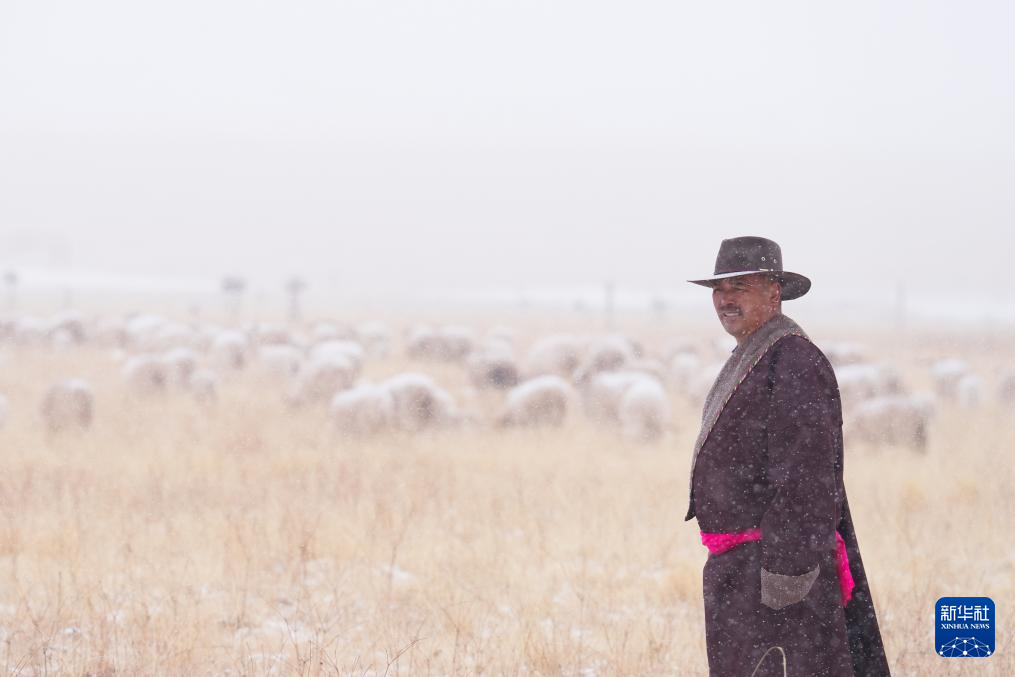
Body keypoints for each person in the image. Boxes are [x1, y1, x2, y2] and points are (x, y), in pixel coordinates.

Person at [684, 236, 890, 676]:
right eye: (719, 289)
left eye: (740, 287)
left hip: (775, 573)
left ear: (773, 293)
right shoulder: (758, 353)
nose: (725, 299)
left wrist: (786, 576)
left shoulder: (794, 361)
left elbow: (806, 479)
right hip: (746, 570)